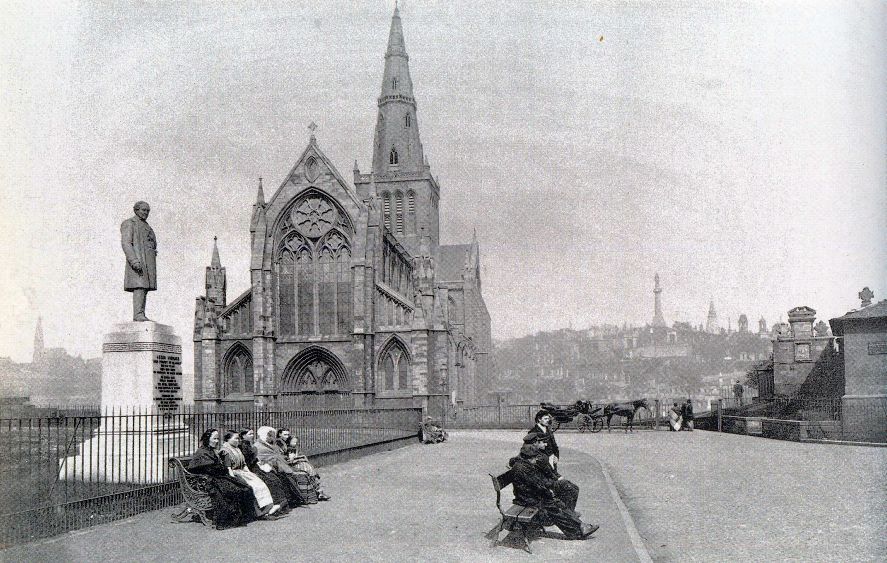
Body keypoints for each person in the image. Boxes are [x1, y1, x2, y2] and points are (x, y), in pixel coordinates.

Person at [508, 443, 598, 540]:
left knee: (557, 504)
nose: (535, 460)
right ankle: (577, 531)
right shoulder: (522, 468)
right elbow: (536, 485)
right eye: (534, 458)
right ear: (528, 458)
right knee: (554, 506)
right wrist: (548, 493)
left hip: (529, 495)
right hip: (526, 499)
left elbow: (536, 484)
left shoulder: (523, 464)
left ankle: (580, 526)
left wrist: (547, 492)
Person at [188, 428, 256, 529]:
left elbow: (216, 465)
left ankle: (243, 516)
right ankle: (231, 519)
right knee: (233, 490)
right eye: (214, 439)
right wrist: (222, 466)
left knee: (245, 487)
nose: (216, 441)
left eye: (217, 439)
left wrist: (222, 461)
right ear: (207, 439)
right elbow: (208, 468)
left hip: (218, 477)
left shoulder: (211, 450)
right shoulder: (202, 452)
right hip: (208, 480)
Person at [218, 431, 283, 518]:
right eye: (236, 439)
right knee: (253, 487)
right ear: (228, 439)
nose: (238, 441)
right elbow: (228, 467)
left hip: (243, 471)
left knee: (260, 483)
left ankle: (267, 507)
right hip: (234, 473)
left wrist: (249, 473)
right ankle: (259, 512)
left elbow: (244, 464)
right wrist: (233, 478)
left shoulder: (237, 449)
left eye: (238, 439)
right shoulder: (225, 451)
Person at [238, 428, 300, 512]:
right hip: (251, 468)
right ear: (243, 435)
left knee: (279, 477)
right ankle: (277, 504)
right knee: (272, 480)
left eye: (253, 434)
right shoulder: (248, 445)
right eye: (250, 434)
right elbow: (250, 459)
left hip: (259, 466)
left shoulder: (251, 444)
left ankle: (284, 503)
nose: (252, 436)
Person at [254, 426, 316, 504]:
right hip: (271, 468)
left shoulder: (272, 444)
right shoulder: (259, 446)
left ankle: (306, 497)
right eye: (270, 435)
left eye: (273, 435)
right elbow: (264, 459)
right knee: (298, 474)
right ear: (265, 436)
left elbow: (279, 456)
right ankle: (300, 498)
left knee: (303, 471)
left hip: (282, 465)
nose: (272, 437)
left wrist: (285, 459)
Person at [522, 434, 579, 512]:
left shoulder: (535, 453)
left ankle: (569, 512)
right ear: (535, 443)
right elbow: (548, 473)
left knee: (573, 488)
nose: (545, 444)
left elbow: (549, 471)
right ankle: (569, 512)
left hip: (545, 482)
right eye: (541, 442)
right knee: (570, 489)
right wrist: (558, 479)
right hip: (545, 484)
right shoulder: (535, 456)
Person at [120, 201, 157, 322]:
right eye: (143, 210)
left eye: (148, 211)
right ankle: (138, 314)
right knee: (139, 286)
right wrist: (134, 260)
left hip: (148, 262)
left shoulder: (147, 226)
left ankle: (141, 313)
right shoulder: (129, 223)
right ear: (136, 210)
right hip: (138, 260)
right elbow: (126, 243)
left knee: (144, 287)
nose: (146, 213)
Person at [278, 430, 330, 501]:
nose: (286, 436)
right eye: (285, 434)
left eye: (288, 435)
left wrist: (300, 458)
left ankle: (318, 491)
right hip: (287, 465)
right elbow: (284, 457)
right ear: (280, 434)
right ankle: (318, 491)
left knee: (308, 467)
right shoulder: (280, 444)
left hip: (292, 463)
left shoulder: (288, 445)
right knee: (307, 468)